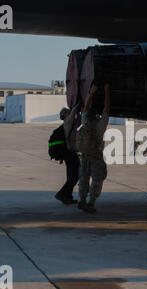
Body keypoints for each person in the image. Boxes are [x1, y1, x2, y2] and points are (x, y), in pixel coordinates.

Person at [77, 83, 110, 213]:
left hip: (84, 155)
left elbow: (85, 107)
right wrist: (107, 92)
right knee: (97, 179)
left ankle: (82, 200)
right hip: (96, 155)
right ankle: (91, 203)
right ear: (96, 116)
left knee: (84, 177)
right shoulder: (99, 126)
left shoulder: (84, 121)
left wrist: (92, 92)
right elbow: (106, 109)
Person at [55, 104, 80, 205]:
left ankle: (67, 197)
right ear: (65, 115)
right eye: (68, 112)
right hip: (70, 153)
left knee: (71, 176)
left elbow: (78, 121)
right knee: (75, 176)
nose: (70, 113)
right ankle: (61, 194)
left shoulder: (69, 124)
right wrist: (78, 104)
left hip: (68, 153)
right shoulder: (68, 122)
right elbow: (74, 112)